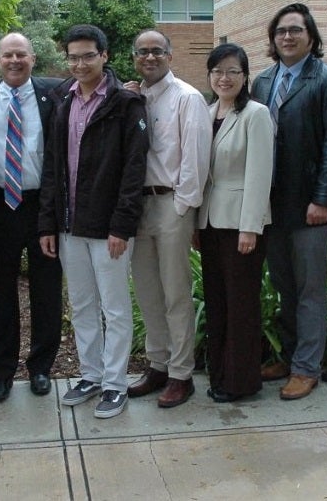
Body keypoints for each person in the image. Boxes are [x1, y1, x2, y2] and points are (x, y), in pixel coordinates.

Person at [39, 24, 148, 419]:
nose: (80, 64)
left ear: (104, 56)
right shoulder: (62, 100)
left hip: (108, 228)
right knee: (82, 305)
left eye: (88, 56)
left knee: (114, 308)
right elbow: (53, 165)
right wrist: (47, 223)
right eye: (73, 57)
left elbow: (134, 170)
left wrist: (122, 225)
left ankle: (115, 384)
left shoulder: (125, 103)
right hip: (70, 225)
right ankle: (91, 375)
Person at [251, 3, 327, 400]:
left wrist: (323, 198)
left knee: (310, 290)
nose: (288, 36)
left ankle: (307, 368)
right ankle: (290, 356)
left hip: (311, 207)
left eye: (296, 30)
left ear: (311, 37)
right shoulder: (263, 81)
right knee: (284, 287)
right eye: (281, 31)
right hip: (271, 206)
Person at [0, 33, 64, 403]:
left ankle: (41, 368)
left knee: (46, 290)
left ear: (33, 59)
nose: (15, 61)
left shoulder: (55, 93)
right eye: (8, 55)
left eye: (21, 54)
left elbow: (99, 81)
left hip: (42, 205)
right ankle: (1, 371)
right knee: (1, 291)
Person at [123, 29, 211, 408]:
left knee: (175, 294)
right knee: (147, 293)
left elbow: (196, 160)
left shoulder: (187, 98)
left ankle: (181, 374)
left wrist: (182, 208)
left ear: (170, 56)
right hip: (137, 207)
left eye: (157, 51)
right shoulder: (133, 98)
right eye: (142, 51)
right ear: (134, 58)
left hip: (171, 204)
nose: (150, 57)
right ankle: (157, 365)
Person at [197, 43, 274, 403]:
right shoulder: (206, 112)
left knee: (241, 304)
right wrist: (196, 223)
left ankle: (240, 382)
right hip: (210, 222)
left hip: (241, 225)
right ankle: (219, 374)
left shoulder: (256, 114)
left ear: (245, 76)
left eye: (232, 71)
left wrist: (250, 227)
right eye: (217, 71)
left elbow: (260, 174)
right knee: (217, 302)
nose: (224, 78)